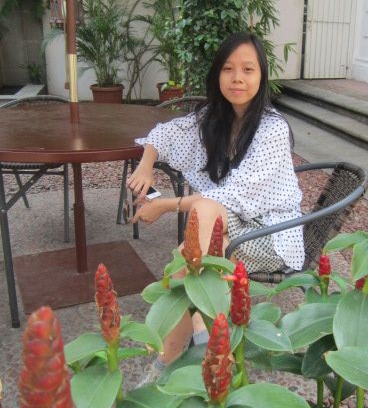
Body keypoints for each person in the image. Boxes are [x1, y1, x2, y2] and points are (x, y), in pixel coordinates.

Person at [128, 32, 304, 368]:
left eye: (248, 70)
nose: (237, 78)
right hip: (230, 220)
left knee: (191, 251)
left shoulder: (273, 129)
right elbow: (164, 133)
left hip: (272, 232)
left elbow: (232, 194)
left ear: (262, 76)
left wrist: (164, 205)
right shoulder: (212, 118)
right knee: (198, 246)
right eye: (228, 69)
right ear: (217, 74)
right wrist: (145, 165)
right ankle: (207, 340)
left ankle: (169, 359)